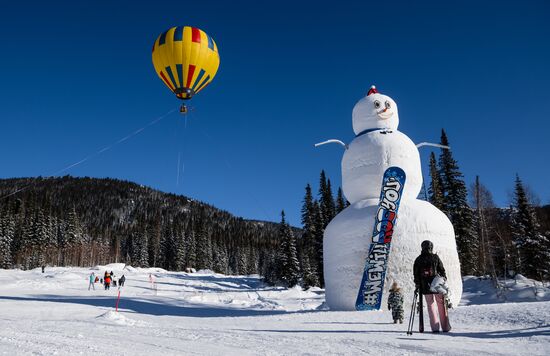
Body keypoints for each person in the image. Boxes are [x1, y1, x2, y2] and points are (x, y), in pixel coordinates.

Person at [413, 240, 451, 332]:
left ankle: (435, 328)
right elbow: (442, 270)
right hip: (437, 285)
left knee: (430, 306)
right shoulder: (435, 257)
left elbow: (416, 274)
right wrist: (443, 279)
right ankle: (445, 327)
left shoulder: (418, 259)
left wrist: (418, 284)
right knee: (441, 305)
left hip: (425, 286)